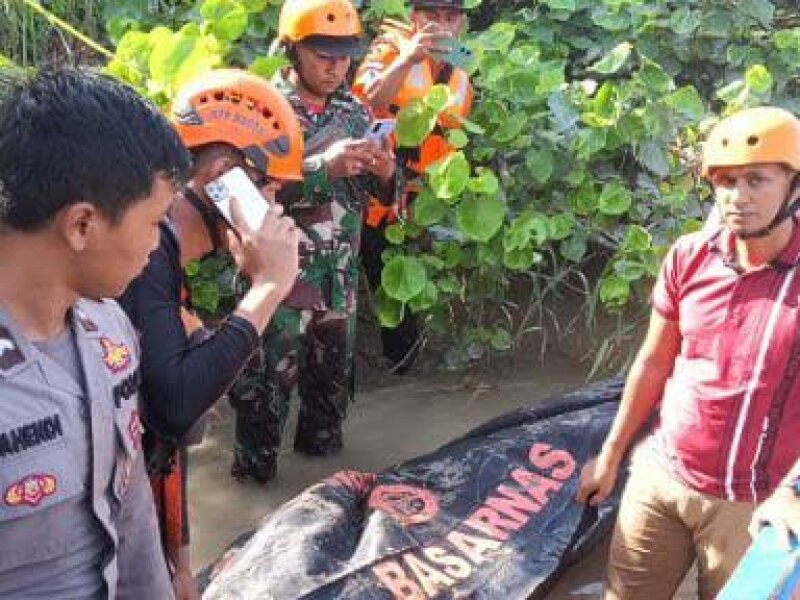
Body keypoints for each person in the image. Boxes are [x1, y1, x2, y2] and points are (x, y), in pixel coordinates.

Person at [576, 106, 800, 599]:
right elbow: (655, 362)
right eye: (725, 182)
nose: (738, 197)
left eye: (757, 181)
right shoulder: (690, 255)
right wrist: (612, 454)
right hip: (662, 476)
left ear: (793, 186)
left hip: (755, 503)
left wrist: (793, 493)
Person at [0, 67, 190, 598]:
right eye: (155, 221)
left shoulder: (107, 330)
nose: (159, 244)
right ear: (82, 224)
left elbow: (130, 518)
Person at [118, 68, 301, 598]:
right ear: (223, 174)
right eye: (268, 186)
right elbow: (172, 403)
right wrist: (268, 286)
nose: (275, 205)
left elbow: (165, 438)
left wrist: (179, 561)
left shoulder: (166, 261)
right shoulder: (144, 261)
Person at [227, 0, 398, 483]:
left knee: (328, 412)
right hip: (278, 290)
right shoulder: (260, 110)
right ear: (293, 50)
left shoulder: (353, 110)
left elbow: (379, 194)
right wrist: (325, 168)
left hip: (337, 287)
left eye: (343, 55)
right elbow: (241, 193)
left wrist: (385, 172)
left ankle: (325, 499)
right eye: (322, 54)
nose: (335, 65)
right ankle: (253, 493)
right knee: (263, 404)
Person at [353, 0, 473, 372]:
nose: (439, 25)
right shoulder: (389, 49)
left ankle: (402, 368)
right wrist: (406, 59)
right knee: (359, 291)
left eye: (449, 16)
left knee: (411, 299)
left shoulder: (462, 68)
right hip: (371, 192)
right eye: (429, 15)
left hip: (421, 200)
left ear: (462, 23)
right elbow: (366, 102)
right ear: (413, 17)